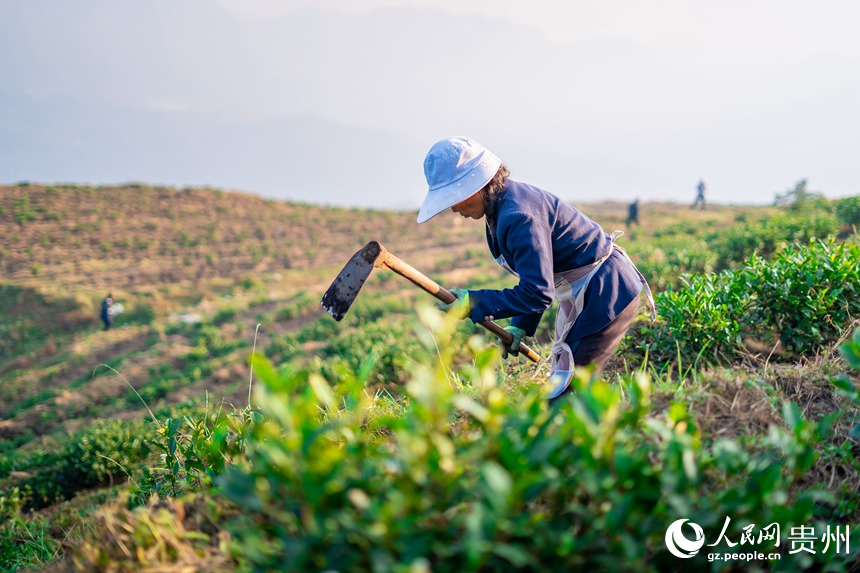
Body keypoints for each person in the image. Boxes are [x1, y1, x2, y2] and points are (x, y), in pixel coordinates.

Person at [418, 136, 655, 400]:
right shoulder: (502, 208)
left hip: (606, 291)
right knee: (565, 387)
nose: (453, 208)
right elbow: (537, 272)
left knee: (568, 394)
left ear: (476, 186)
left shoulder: (517, 216)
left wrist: (473, 302)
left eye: (455, 197)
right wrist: (521, 324)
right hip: (590, 288)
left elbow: (537, 293)